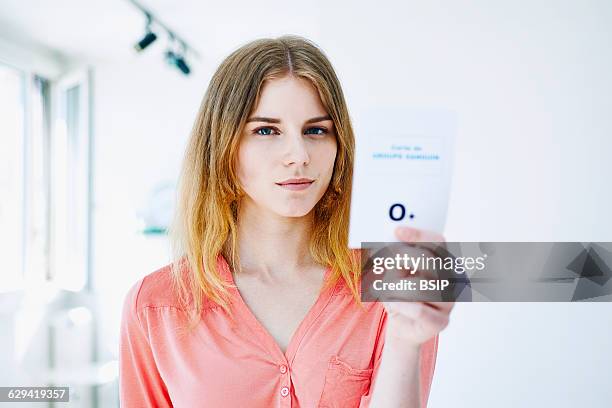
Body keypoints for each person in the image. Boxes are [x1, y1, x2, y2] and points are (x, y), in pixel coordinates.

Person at [119, 35, 454, 408]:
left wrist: (406, 343)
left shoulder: (390, 286)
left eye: (316, 130)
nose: (298, 155)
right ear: (223, 147)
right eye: (266, 130)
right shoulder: (154, 305)